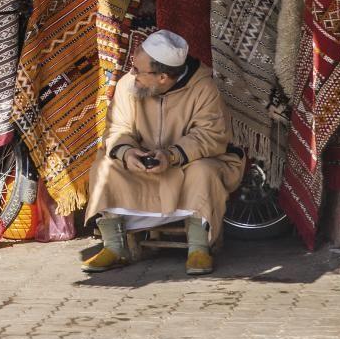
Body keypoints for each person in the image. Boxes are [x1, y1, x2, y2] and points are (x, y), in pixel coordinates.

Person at [83, 29, 246, 276]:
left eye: (139, 71)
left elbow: (209, 136)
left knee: (203, 171)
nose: (132, 75)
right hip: (144, 165)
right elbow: (117, 127)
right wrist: (128, 153)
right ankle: (115, 248)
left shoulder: (204, 88)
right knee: (105, 167)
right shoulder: (129, 85)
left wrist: (171, 156)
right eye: (134, 68)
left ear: (162, 77)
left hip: (187, 164)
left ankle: (199, 248)